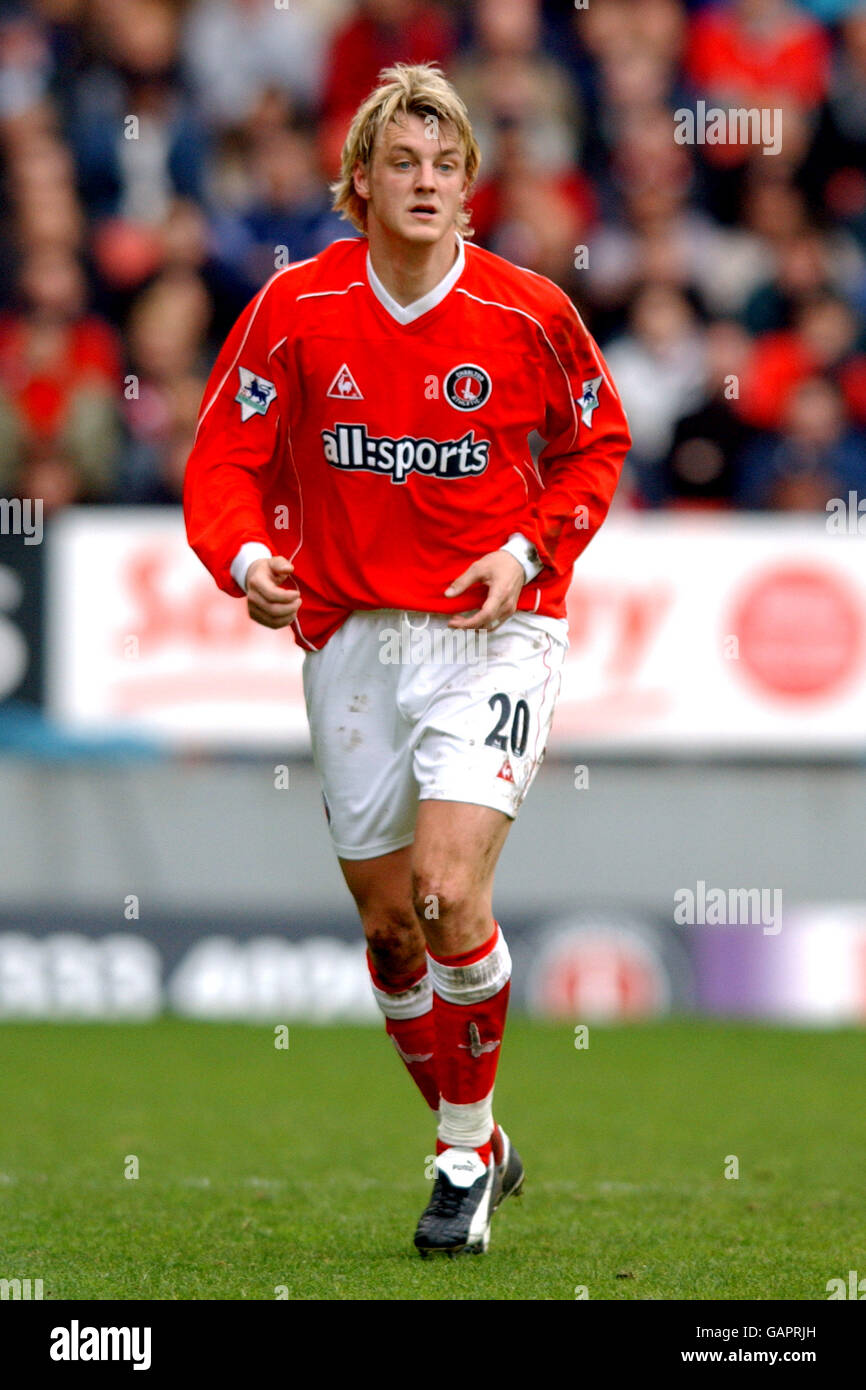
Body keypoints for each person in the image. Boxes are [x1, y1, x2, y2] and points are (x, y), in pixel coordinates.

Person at [184, 62, 630, 1257]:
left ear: (469, 184)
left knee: (444, 892)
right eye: (402, 164)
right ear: (360, 181)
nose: (425, 183)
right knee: (389, 930)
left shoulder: (528, 311)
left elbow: (597, 445)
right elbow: (220, 461)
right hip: (349, 639)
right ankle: (476, 1134)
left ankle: (456, 1155)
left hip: (494, 629)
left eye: (446, 165)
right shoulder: (295, 307)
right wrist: (243, 563)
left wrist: (529, 550)